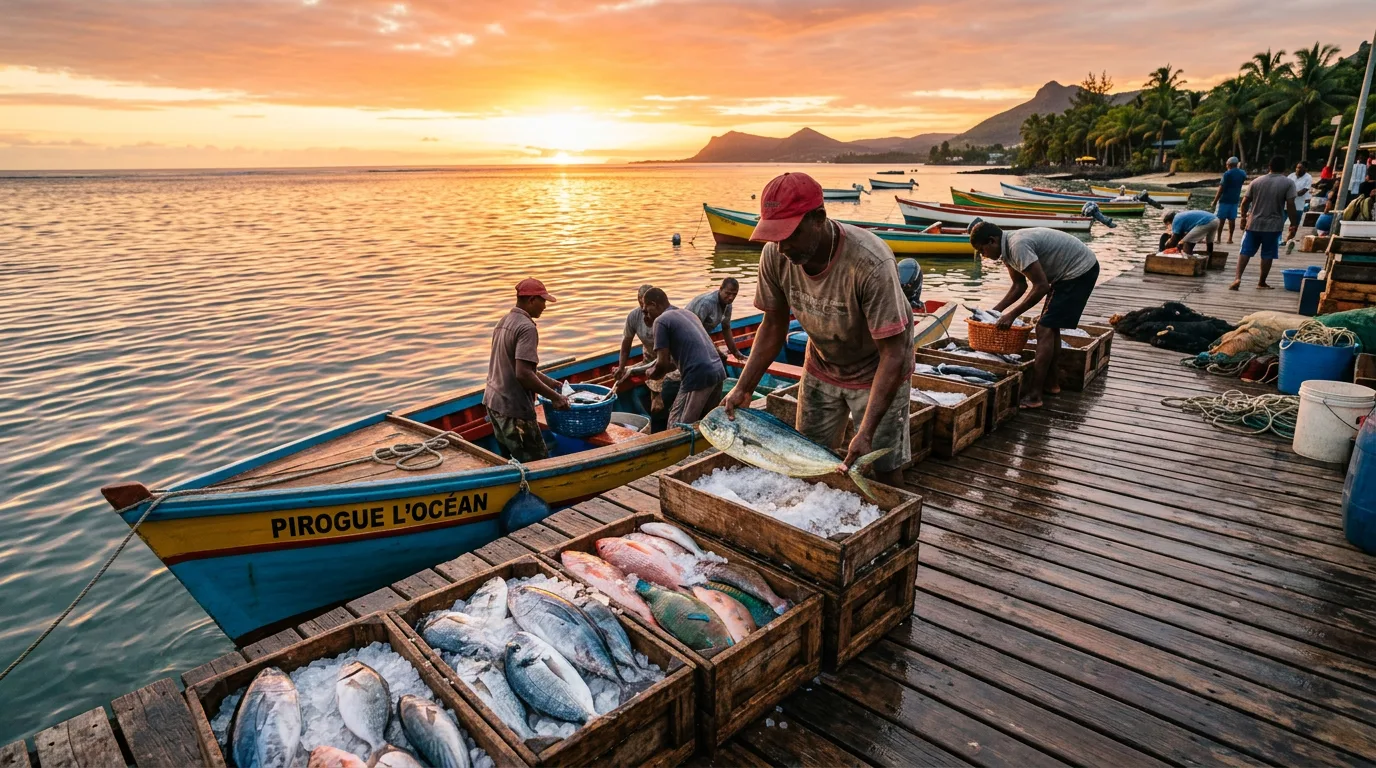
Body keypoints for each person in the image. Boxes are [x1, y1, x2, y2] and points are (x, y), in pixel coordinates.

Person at [720, 172, 914, 487]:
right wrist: (743, 387)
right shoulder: (775, 256)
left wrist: (865, 432)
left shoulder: (870, 263)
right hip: (822, 365)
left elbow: (893, 352)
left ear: (819, 218)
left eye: (790, 234)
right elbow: (773, 325)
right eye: (775, 236)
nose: (782, 247)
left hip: (877, 369)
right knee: (807, 457)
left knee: (882, 466)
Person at [970, 223, 1100, 409]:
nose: (983, 256)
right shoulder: (1006, 251)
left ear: (992, 241)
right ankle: (1052, 384)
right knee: (1050, 326)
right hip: (1066, 274)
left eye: (982, 250)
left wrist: (1012, 315)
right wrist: (994, 312)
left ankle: (1035, 395)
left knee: (1044, 328)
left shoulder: (1017, 246)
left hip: (1079, 272)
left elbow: (1041, 286)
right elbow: (1019, 286)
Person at [482, 278, 569, 462]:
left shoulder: (504, 321)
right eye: (543, 301)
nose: (544, 306)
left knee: (510, 462)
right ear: (531, 300)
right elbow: (523, 374)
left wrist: (551, 383)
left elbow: (520, 367)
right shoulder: (527, 327)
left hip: (493, 403)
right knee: (538, 463)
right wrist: (556, 398)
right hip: (514, 410)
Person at [617, 288, 727, 425]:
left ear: (654, 304)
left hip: (698, 375)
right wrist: (636, 370)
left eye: (646, 311)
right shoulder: (688, 313)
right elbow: (672, 364)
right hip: (719, 371)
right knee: (708, 422)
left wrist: (651, 374)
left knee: (679, 426)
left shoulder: (661, 321)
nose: (645, 317)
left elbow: (662, 365)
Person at [614, 283, 679, 430]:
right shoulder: (634, 316)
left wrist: (656, 392)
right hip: (649, 360)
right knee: (623, 376)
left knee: (668, 386)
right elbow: (626, 344)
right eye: (641, 306)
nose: (645, 311)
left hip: (672, 362)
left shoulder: (665, 318)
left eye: (647, 307)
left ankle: (663, 417)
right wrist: (621, 367)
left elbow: (666, 361)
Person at [1235, 155, 1300, 291]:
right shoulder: (1288, 183)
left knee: (1245, 251)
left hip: (1253, 223)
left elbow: (1244, 203)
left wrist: (1243, 218)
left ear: (1269, 167)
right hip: (1273, 225)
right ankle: (1261, 282)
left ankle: (1238, 278)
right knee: (1267, 254)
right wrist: (1293, 224)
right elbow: (1290, 205)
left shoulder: (1256, 181)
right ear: (1284, 168)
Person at [686, 278, 745, 361]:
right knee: (715, 358)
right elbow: (697, 331)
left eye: (734, 294)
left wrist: (735, 352)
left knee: (720, 358)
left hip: (700, 334)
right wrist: (716, 351)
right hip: (687, 334)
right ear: (720, 289)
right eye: (728, 293)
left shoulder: (728, 304)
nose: (731, 298)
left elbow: (726, 327)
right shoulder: (706, 303)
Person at [1210, 157, 1247, 244]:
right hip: (1235, 200)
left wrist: (1215, 201)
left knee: (1221, 220)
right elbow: (1242, 181)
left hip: (1224, 200)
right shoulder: (1242, 173)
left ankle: (1218, 238)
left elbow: (1221, 189)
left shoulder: (1227, 174)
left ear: (1229, 165)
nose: (1226, 166)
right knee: (1232, 220)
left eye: (1226, 164)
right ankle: (1230, 238)